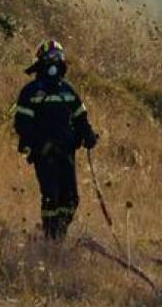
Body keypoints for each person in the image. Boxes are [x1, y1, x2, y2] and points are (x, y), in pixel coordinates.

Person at [12, 40, 98, 240]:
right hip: (44, 153)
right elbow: (22, 124)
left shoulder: (68, 91)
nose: (54, 62)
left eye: (58, 58)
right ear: (41, 62)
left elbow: (80, 118)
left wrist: (88, 135)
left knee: (71, 199)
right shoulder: (30, 92)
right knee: (51, 195)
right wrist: (37, 145)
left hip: (67, 151)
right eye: (49, 58)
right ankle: (50, 237)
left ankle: (59, 233)